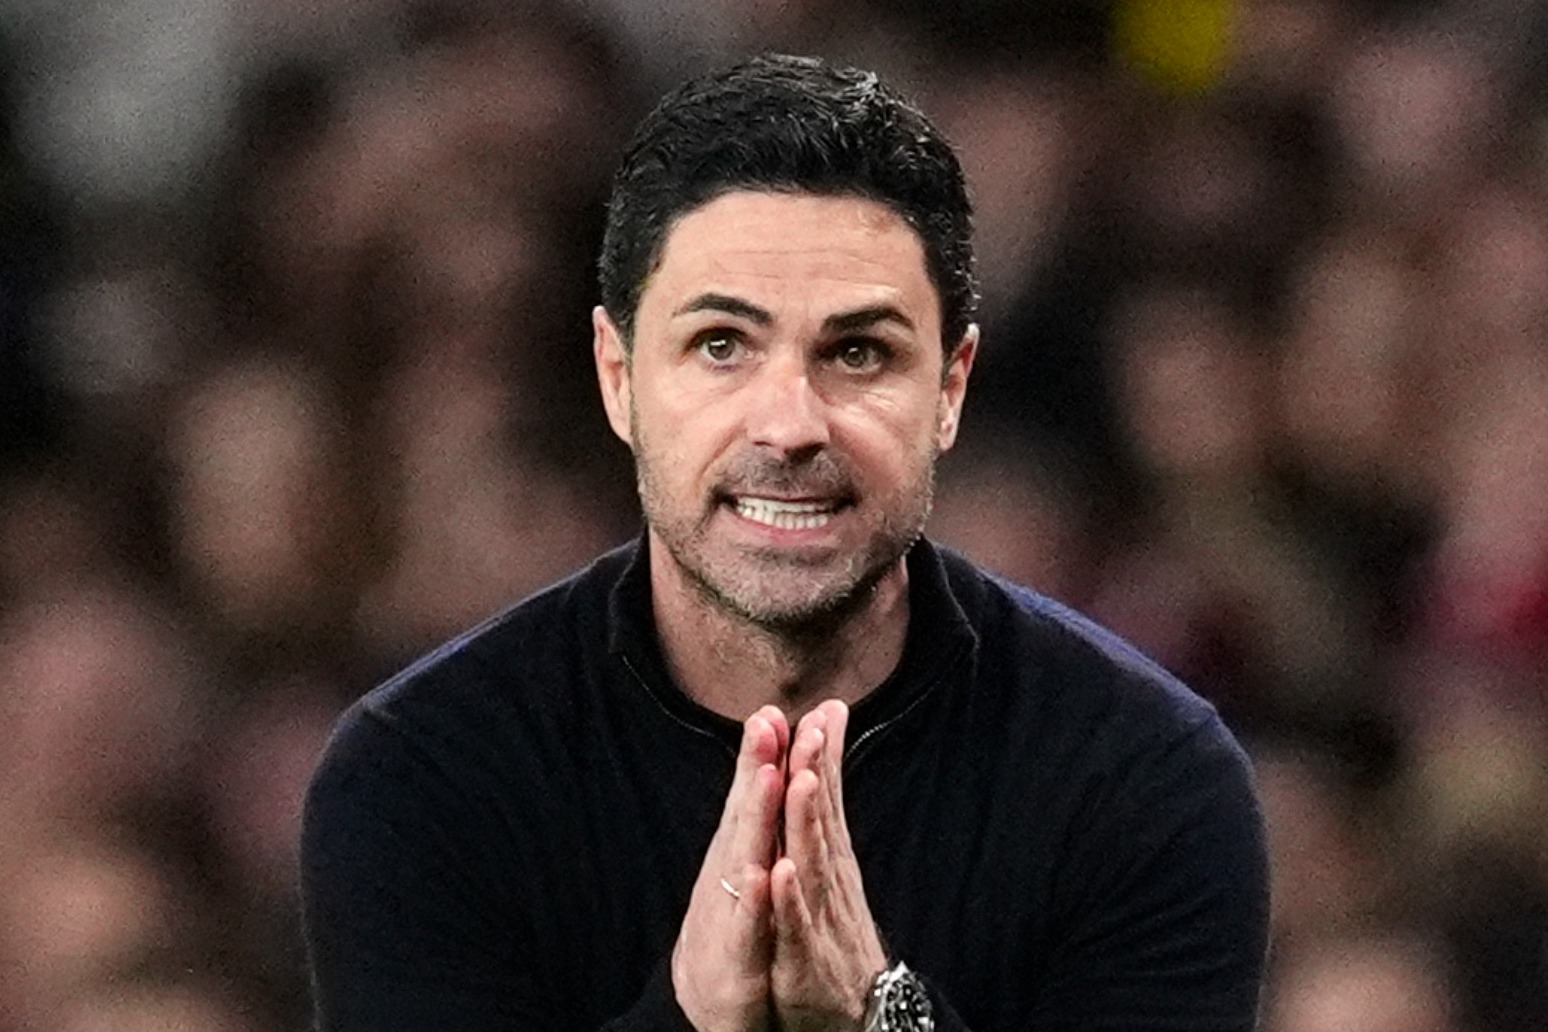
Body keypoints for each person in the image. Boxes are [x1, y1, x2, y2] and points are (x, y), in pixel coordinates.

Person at [300, 53, 1270, 1032]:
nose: (790, 426)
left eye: (858, 352)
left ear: (950, 389)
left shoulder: (1143, 778)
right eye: (721, 345)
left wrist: (878, 1016)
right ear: (618, 378)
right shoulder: (425, 775)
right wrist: (690, 1016)